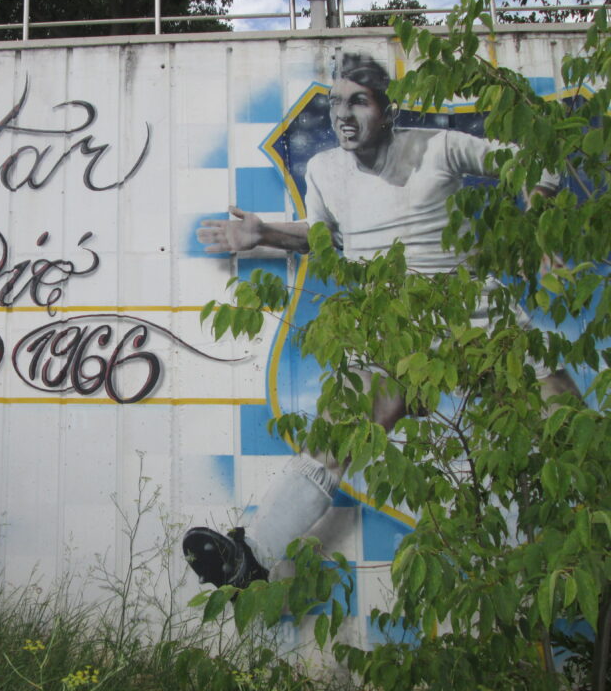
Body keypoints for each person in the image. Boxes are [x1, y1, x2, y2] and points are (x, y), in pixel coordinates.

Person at [182, 52, 578, 588]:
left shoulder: (437, 146)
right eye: (335, 102)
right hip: (394, 332)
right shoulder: (324, 170)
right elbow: (325, 238)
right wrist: (265, 234)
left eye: (359, 102)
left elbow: (537, 164)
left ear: (388, 112)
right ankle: (249, 558)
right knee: (336, 437)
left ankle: (588, 547)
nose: (343, 114)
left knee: (569, 427)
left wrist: (541, 216)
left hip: (482, 320)